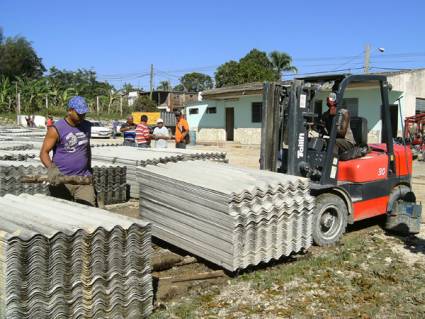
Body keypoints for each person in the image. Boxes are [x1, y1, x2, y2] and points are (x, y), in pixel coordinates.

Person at [39, 96, 96, 206]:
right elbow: (43, 153)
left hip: (83, 179)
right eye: (79, 113)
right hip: (62, 181)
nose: (82, 116)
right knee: (63, 214)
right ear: (69, 111)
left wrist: (89, 168)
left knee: (88, 212)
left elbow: (86, 148)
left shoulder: (87, 126)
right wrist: (52, 170)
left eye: (84, 113)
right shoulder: (56, 129)